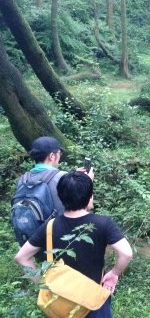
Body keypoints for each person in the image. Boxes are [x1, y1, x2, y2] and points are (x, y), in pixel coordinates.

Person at [15, 171, 133, 318]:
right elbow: (127, 253)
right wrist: (114, 273)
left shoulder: (50, 225)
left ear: (60, 196)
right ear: (90, 197)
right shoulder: (103, 223)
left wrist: (42, 284)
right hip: (92, 299)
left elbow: (22, 257)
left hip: (60, 299)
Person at [16, 136, 67, 215]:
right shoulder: (62, 176)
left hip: (28, 226)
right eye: (60, 153)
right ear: (52, 156)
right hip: (54, 226)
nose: (60, 156)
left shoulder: (23, 179)